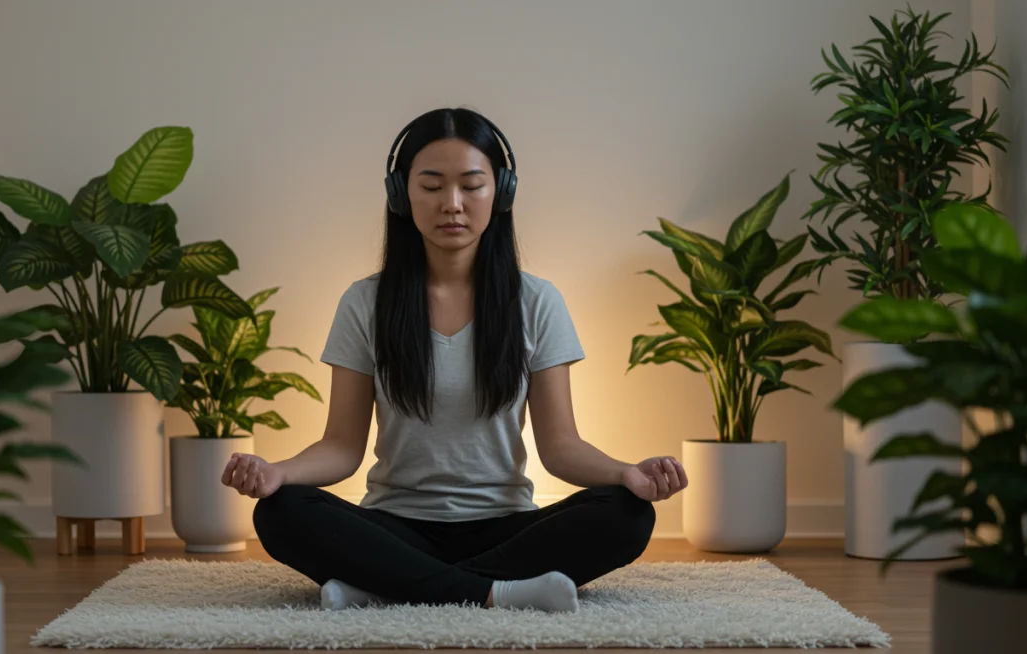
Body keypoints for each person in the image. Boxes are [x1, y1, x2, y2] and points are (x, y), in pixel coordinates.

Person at [220, 107, 687, 613]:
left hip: (506, 527)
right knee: (280, 511)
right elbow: (341, 446)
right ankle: (492, 592)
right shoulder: (364, 303)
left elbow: (561, 447)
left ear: (501, 193)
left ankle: (384, 586)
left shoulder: (537, 301)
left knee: (627, 514)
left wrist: (627, 474)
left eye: (471, 185)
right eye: (432, 186)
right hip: (395, 526)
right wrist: (277, 473)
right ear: (401, 195)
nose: (453, 204)